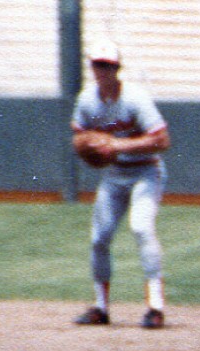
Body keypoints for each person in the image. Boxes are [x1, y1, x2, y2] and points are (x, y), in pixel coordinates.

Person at [70, 40, 171, 329]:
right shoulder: (87, 100)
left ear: (117, 68)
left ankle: (155, 307)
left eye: (107, 65)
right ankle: (101, 308)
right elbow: (79, 134)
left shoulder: (135, 98)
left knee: (141, 227)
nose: (101, 70)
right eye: (97, 64)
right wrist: (90, 146)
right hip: (114, 175)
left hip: (145, 172)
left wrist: (117, 144)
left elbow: (162, 140)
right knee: (99, 238)